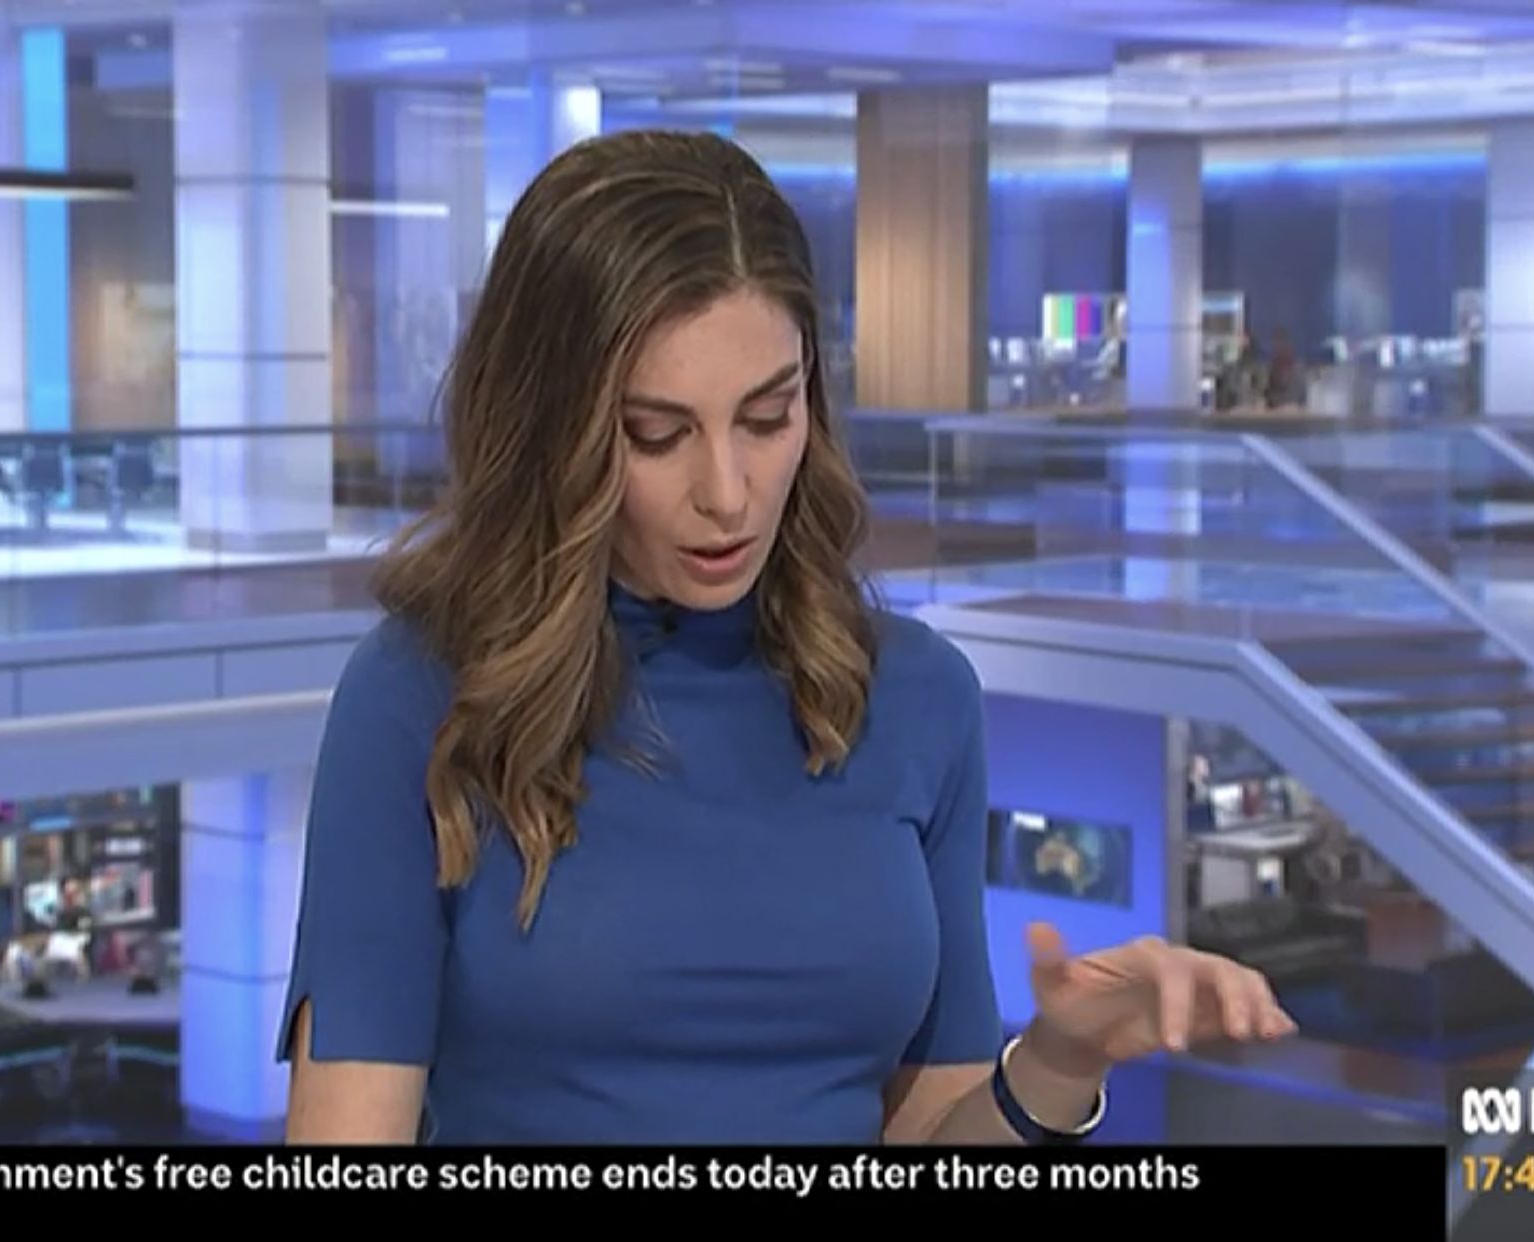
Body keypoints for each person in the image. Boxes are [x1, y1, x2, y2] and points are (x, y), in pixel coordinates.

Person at [279, 129, 1295, 1146]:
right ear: (554, 429)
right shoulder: (417, 697)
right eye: (656, 434)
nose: (728, 494)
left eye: (768, 417)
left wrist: (1058, 1066)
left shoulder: (916, 695)